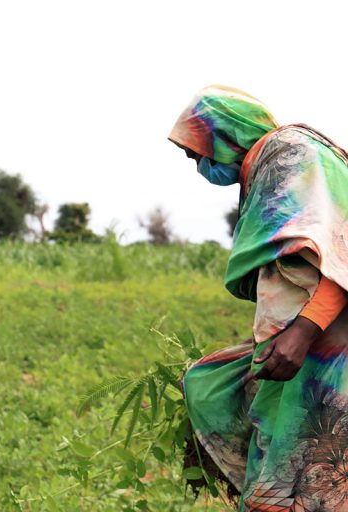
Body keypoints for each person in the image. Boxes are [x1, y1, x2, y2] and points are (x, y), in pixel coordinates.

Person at [171, 85, 348, 510]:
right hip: (301, 352)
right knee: (207, 385)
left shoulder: (293, 157)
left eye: (198, 153)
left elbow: (342, 255)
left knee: (311, 478)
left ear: (227, 134)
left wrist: (302, 333)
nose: (198, 165)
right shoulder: (269, 165)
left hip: (324, 348)